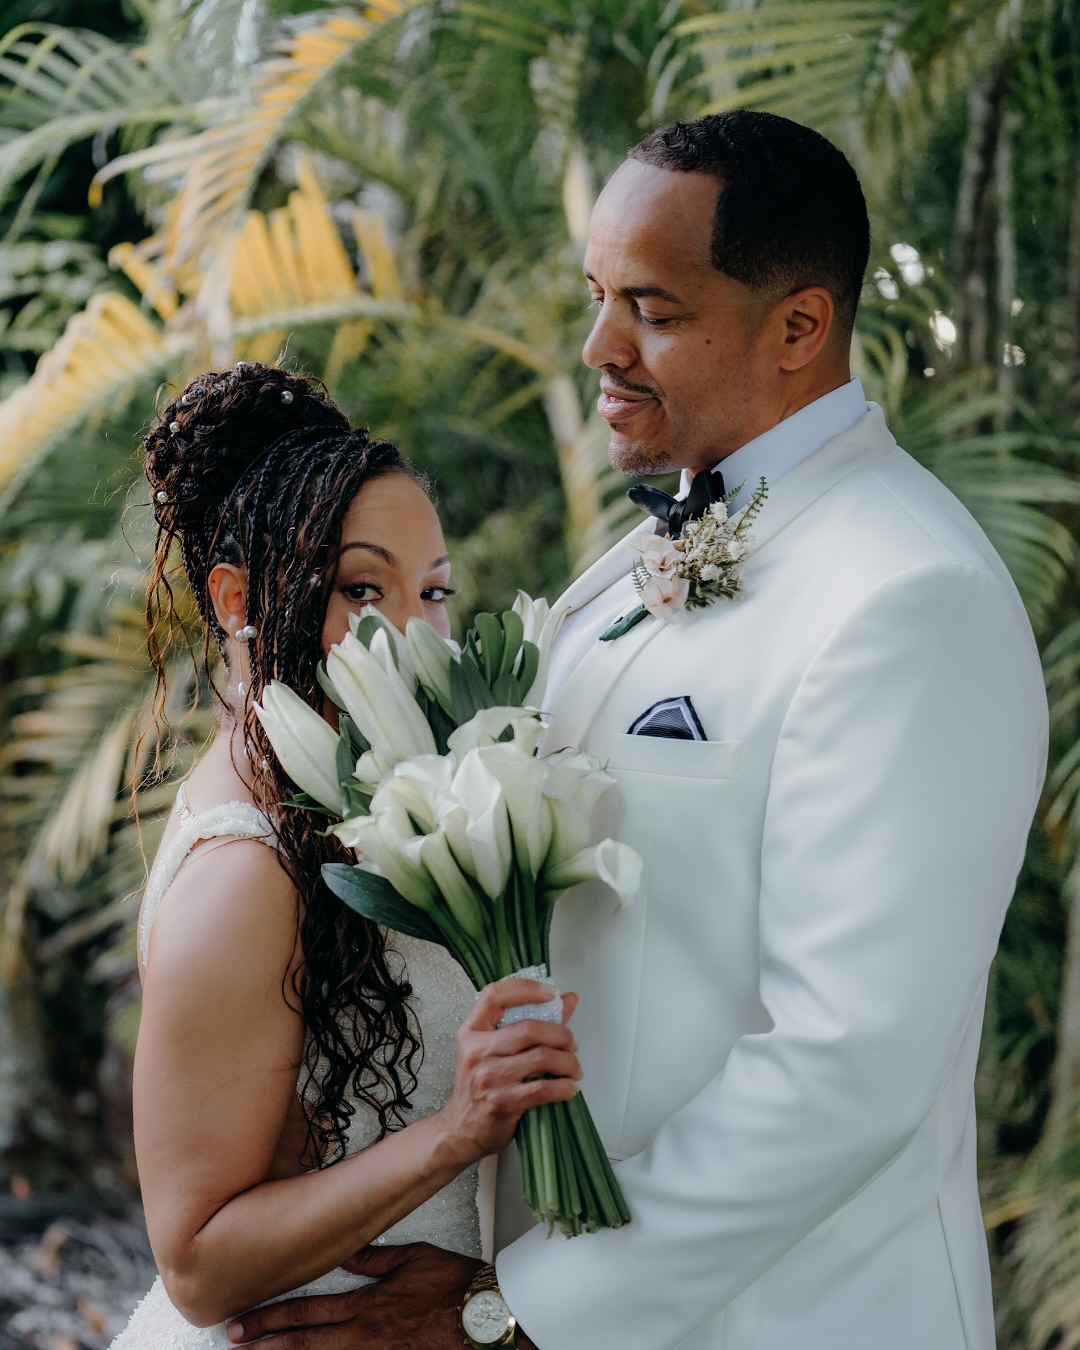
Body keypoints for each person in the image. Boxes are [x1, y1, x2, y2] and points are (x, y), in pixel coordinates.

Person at [231, 111, 1048, 1350]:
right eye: (598, 294)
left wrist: (517, 1317)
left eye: (653, 312)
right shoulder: (630, 564)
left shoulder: (907, 596)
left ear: (799, 328)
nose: (598, 347)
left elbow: (845, 1065)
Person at [108, 362, 580, 1350]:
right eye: (363, 588)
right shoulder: (245, 870)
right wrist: (456, 1131)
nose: (416, 630)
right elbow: (195, 1261)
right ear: (238, 596)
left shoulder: (362, 800)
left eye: (434, 590)